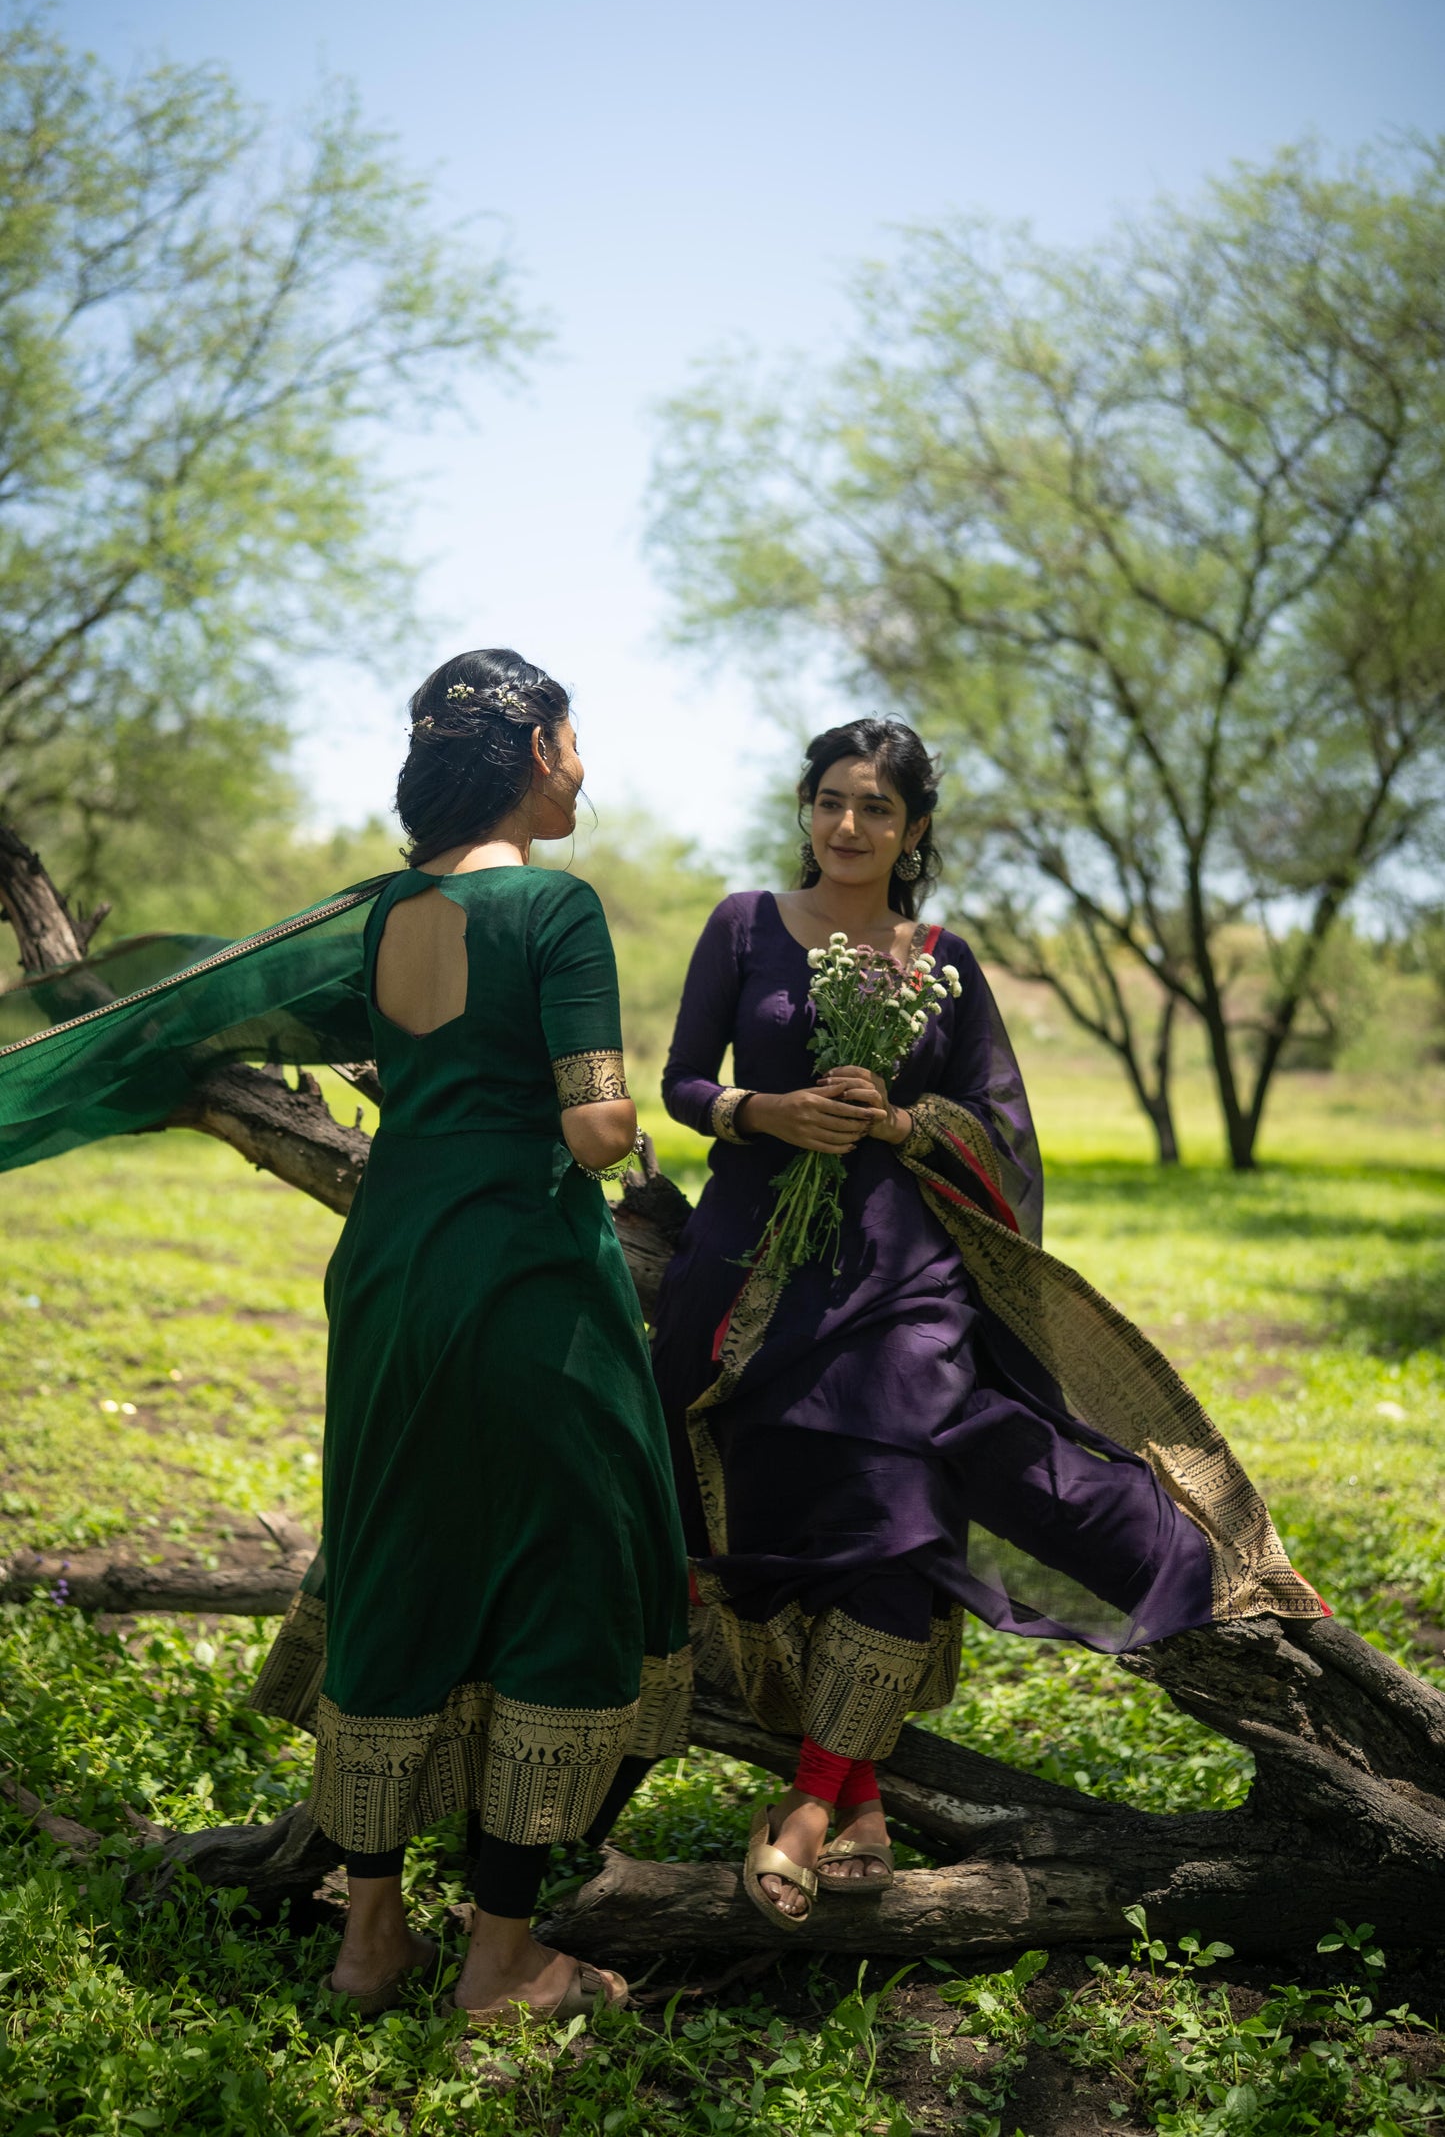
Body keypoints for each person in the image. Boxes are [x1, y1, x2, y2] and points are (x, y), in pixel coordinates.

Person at [0, 648, 692, 2017]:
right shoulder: (553, 905)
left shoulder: (373, 919)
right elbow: (595, 1125)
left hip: (388, 1273)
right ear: (537, 748)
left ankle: (371, 1942)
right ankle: (501, 1959)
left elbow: (349, 1039)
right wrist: (626, 1128)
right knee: (560, 1566)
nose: (583, 768)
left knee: (397, 1556)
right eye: (573, 741)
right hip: (525, 1279)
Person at [649, 716, 1324, 1931]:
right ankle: (856, 1798)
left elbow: (999, 1128)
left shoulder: (939, 959)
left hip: (901, 1273)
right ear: (804, 808)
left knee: (899, 1496)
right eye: (829, 799)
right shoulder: (744, 923)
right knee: (784, 1502)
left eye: (875, 806)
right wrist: (765, 1109)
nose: (847, 824)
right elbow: (682, 1081)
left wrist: (902, 1124)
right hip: (753, 1259)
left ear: (912, 830)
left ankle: (805, 1800)